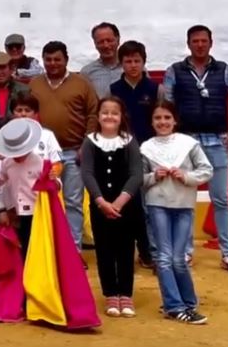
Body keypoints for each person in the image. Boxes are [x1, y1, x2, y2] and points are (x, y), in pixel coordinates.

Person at [163, 25, 228, 275]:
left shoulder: (224, 70)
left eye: (204, 41)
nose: (200, 45)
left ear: (211, 43)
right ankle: (185, 251)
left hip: (217, 141)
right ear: (188, 44)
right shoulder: (175, 71)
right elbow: (166, 105)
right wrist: (170, 137)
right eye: (195, 41)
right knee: (185, 199)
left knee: (221, 199)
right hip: (186, 143)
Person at [139, 101, 212, 325]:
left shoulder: (189, 144)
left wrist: (187, 177)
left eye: (167, 118)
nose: (162, 122)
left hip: (183, 205)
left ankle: (188, 303)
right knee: (163, 257)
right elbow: (138, 179)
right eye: (158, 118)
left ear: (175, 120)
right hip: (157, 204)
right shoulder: (146, 148)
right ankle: (174, 306)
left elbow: (206, 170)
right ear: (152, 122)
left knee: (178, 258)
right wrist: (154, 176)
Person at [28, 40, 98, 251]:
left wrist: (85, 145)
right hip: (42, 155)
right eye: (48, 59)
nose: (52, 63)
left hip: (73, 152)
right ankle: (46, 251)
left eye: (57, 59)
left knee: (73, 203)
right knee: (40, 203)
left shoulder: (82, 83)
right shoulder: (34, 84)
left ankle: (73, 251)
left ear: (66, 60)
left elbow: (93, 114)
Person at [80, 97, 144, 318]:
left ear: (121, 117)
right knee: (104, 250)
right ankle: (110, 293)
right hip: (100, 206)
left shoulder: (129, 141)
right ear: (98, 116)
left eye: (114, 113)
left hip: (125, 207)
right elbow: (87, 173)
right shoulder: (90, 142)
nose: (109, 116)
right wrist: (101, 201)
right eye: (104, 112)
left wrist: (118, 202)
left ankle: (125, 293)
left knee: (126, 249)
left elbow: (137, 174)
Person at [109, 40, 160, 268]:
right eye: (128, 61)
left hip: (151, 152)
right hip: (123, 153)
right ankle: (133, 249)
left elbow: (162, 120)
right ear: (121, 64)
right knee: (131, 204)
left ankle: (152, 251)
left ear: (143, 62)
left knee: (151, 204)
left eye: (136, 61)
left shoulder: (154, 89)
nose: (132, 65)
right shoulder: (113, 90)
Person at [0, 118, 48, 260]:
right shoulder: (7, 163)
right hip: (16, 212)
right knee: (21, 245)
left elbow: (54, 183)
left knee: (36, 246)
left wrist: (54, 181)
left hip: (37, 211)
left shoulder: (39, 162)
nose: (18, 157)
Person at [80, 22, 123, 98]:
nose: (106, 45)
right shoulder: (86, 72)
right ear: (95, 44)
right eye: (100, 42)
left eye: (109, 40)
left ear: (118, 40)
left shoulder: (134, 67)